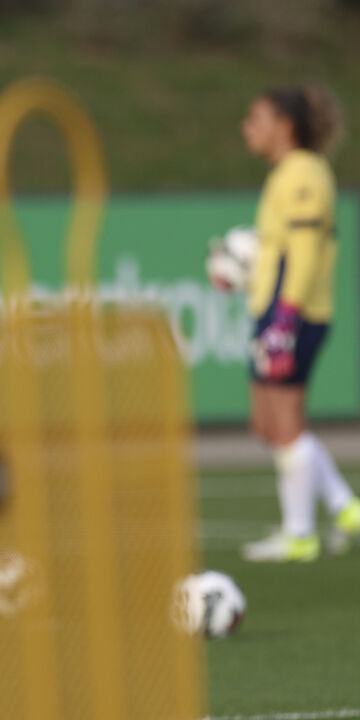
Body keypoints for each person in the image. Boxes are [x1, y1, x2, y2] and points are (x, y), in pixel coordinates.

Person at [229, 83, 360, 562]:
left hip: (295, 314)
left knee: (285, 426)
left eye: (256, 119)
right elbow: (281, 250)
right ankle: (345, 507)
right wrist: (244, 275)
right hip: (275, 310)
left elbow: (303, 256)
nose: (248, 128)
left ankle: (300, 534)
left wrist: (284, 320)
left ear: (285, 127)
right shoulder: (286, 173)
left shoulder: (303, 172)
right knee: (267, 424)